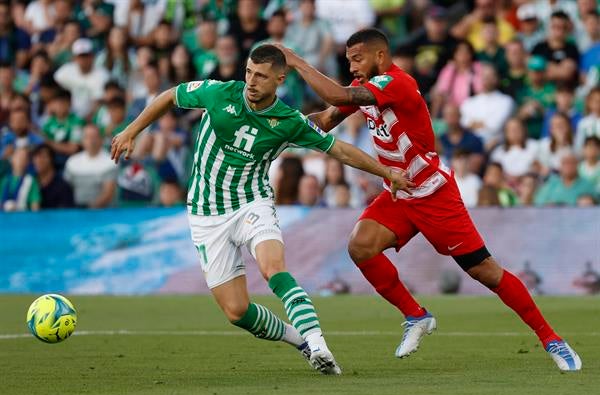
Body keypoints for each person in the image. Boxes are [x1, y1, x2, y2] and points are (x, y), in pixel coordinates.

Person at [277, 28, 582, 371]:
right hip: (400, 192)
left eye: (357, 59)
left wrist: (296, 61)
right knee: (360, 246)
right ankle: (416, 315)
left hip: (434, 195)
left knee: (487, 273)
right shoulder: (368, 92)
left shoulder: (397, 83)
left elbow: (339, 95)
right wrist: (280, 127)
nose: (352, 67)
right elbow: (327, 118)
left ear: (380, 56)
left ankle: (552, 339)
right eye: (348, 61)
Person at [111, 44, 414, 376]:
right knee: (237, 311)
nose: (252, 82)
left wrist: (386, 173)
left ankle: (318, 344)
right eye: (249, 73)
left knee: (273, 269)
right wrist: (131, 130)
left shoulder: (288, 121)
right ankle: (299, 340)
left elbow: (339, 150)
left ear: (280, 80)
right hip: (205, 212)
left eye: (261, 76)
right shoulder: (218, 93)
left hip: (251, 202)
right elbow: (170, 95)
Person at [64, 124, 117, 208]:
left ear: (101, 139)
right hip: (77, 212)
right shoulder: (72, 162)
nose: (91, 140)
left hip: (103, 212)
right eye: (87, 137)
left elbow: (108, 194)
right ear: (82, 140)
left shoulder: (111, 161)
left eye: (94, 137)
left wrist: (89, 210)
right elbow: (66, 190)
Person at [31, 143, 74, 208]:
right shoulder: (29, 182)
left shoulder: (62, 187)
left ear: (51, 159)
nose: (38, 161)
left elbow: (65, 214)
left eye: (43, 157)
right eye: (36, 157)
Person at [0, 147, 40, 211]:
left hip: (22, 218)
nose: (21, 160)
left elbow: (35, 207)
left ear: (28, 162)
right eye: (18, 156)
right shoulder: (3, 180)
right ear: (12, 159)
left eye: (24, 158)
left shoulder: (31, 181)